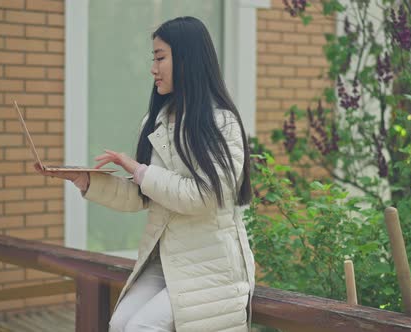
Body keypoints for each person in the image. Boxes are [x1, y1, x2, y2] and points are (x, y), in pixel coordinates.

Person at [34, 16, 255, 332]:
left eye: (160, 57)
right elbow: (143, 195)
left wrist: (139, 170)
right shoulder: (156, 121)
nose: (153, 68)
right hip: (163, 260)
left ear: (187, 59)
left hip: (210, 267)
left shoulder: (223, 125)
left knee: (141, 327)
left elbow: (205, 196)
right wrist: (86, 182)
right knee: (121, 322)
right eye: (154, 57)